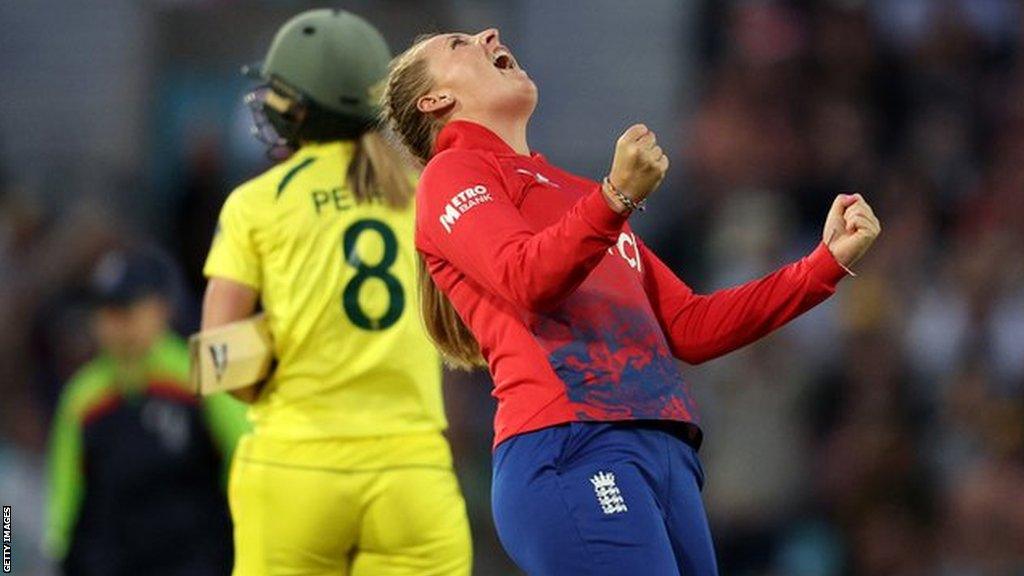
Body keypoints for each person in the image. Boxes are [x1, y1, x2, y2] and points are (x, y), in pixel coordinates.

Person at [382, 29, 881, 575]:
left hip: (666, 455)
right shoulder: (453, 175)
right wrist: (614, 198)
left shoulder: (575, 194)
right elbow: (525, 277)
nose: (489, 35)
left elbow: (689, 325)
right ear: (435, 101)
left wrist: (822, 265)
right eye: (458, 43)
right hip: (570, 445)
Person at [201, 9, 471, 576]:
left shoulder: (257, 202)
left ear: (301, 107)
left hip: (295, 473)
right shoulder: (430, 191)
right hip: (412, 475)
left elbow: (220, 360)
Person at [45, 248, 248, 576]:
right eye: (106, 313)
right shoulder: (83, 398)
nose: (116, 326)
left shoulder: (198, 377)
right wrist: (51, 555)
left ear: (161, 308)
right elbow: (63, 497)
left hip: (196, 560)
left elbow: (243, 458)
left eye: (127, 311)